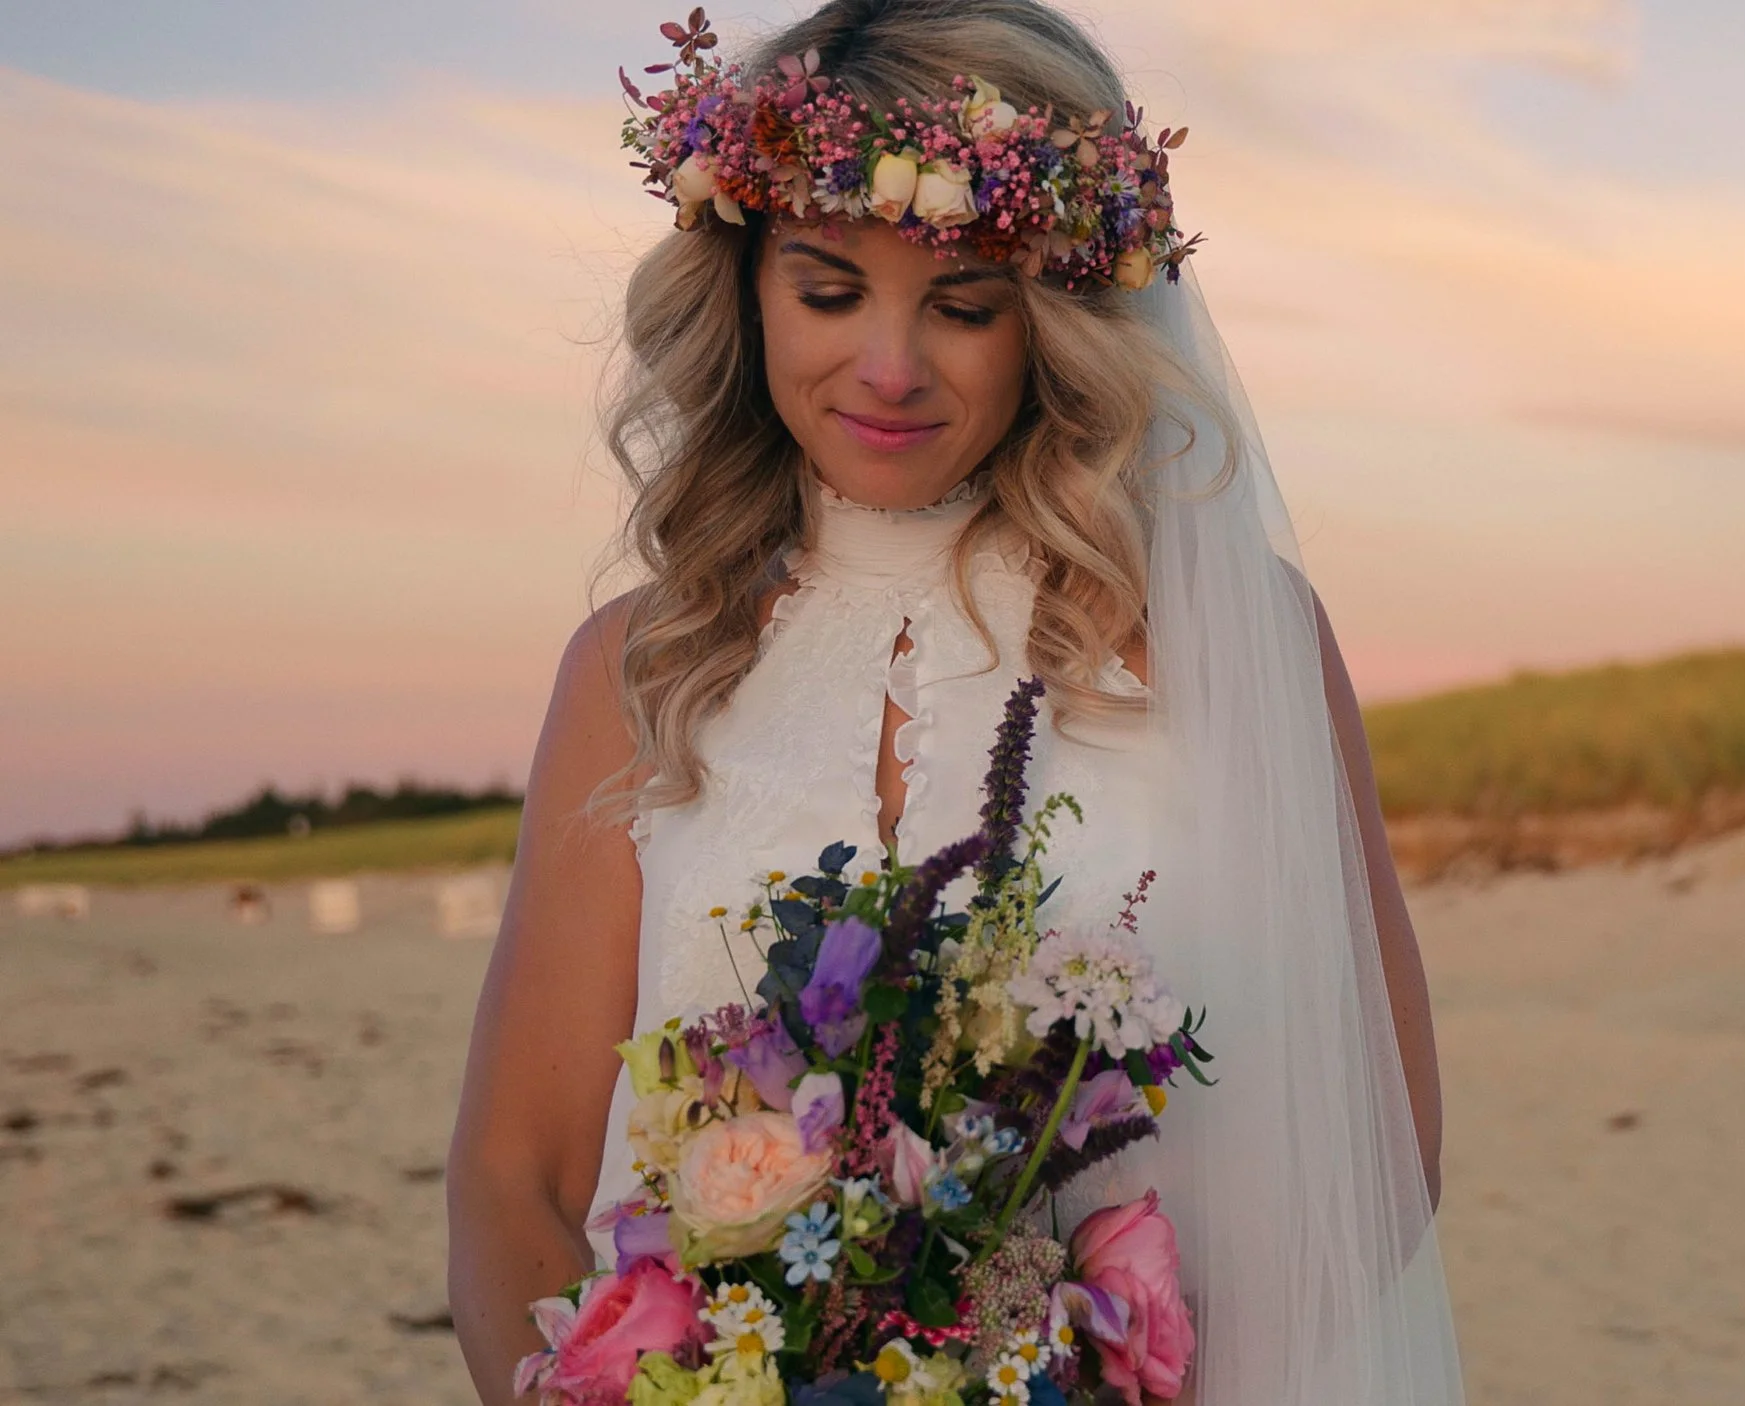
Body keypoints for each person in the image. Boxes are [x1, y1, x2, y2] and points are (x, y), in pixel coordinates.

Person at [446, 2, 1466, 1402]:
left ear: (1056, 317)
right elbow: (521, 1172)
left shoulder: (1228, 640)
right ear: (746, 286)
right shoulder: (640, 665)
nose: (888, 366)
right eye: (827, 289)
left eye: (966, 305)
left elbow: (1382, 1137)